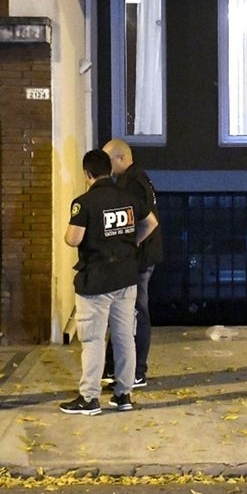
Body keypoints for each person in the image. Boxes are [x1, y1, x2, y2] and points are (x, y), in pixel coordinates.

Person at [61, 149, 158, 415]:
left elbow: (73, 239)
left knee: (92, 339)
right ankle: (123, 394)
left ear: (87, 174)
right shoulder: (128, 199)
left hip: (96, 280)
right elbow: (151, 222)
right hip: (126, 277)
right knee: (124, 336)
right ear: (109, 170)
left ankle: (89, 398)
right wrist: (131, 243)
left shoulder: (84, 203)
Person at [102, 138, 164, 389]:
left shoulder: (133, 184)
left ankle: (136, 371)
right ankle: (116, 367)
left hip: (139, 259)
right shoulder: (136, 179)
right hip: (141, 257)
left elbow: (147, 222)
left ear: (121, 158)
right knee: (125, 310)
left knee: (136, 311)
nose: (106, 166)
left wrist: (130, 246)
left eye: (108, 160)